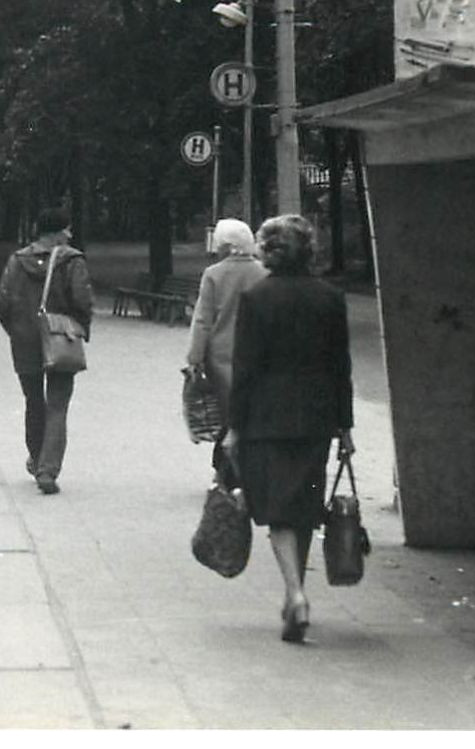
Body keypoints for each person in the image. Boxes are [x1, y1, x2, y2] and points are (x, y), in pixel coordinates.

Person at [222, 214, 355, 644]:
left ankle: (295, 593)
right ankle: (293, 593)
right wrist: (346, 426)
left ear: (269, 250)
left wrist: (234, 428)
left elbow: (245, 369)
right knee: (303, 505)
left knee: (277, 507)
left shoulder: (257, 298)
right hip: (316, 418)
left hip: (267, 417)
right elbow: (341, 368)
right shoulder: (330, 298)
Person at [0, 206, 94, 494]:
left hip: (24, 341)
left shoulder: (17, 261)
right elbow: (82, 301)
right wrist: (80, 329)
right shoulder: (72, 261)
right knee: (58, 405)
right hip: (61, 339)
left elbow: (2, 306)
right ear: (61, 231)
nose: (71, 233)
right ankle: (47, 471)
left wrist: (17, 332)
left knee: (33, 401)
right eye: (68, 228)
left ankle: (37, 458)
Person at [185, 218, 269, 483]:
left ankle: (226, 471)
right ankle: (249, 470)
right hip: (258, 354)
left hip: (221, 356)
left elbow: (202, 320)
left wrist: (194, 358)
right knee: (253, 411)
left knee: (228, 414)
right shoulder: (265, 272)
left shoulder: (214, 274)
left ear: (227, 246)